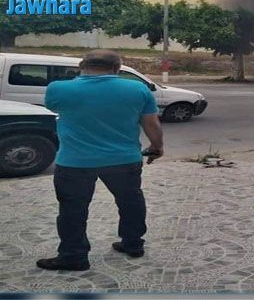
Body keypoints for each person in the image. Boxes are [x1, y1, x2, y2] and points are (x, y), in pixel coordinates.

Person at [37, 49, 164, 271]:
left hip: (75, 162)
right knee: (130, 202)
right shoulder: (137, 89)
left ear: (81, 65)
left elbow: (54, 107)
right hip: (124, 160)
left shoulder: (59, 89)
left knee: (72, 209)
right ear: (117, 68)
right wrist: (157, 147)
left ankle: (74, 256)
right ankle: (133, 244)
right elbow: (151, 124)